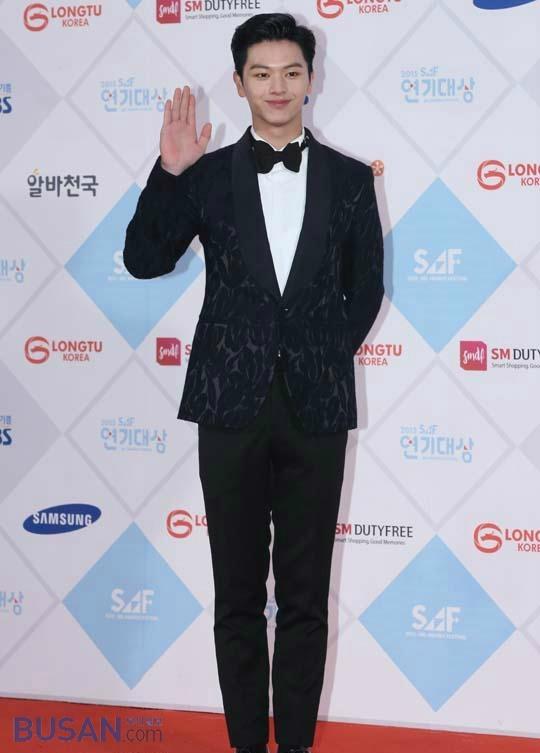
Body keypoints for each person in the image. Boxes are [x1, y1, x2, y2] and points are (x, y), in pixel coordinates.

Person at [123, 13, 384, 753]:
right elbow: (143, 259)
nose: (277, 86)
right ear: (239, 84)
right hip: (228, 406)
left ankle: (294, 744)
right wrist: (169, 173)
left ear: (311, 79)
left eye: (291, 72)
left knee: (304, 596)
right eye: (261, 73)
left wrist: (315, 357)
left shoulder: (350, 179)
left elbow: (365, 289)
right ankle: (244, 743)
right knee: (236, 594)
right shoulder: (205, 175)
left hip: (316, 409)